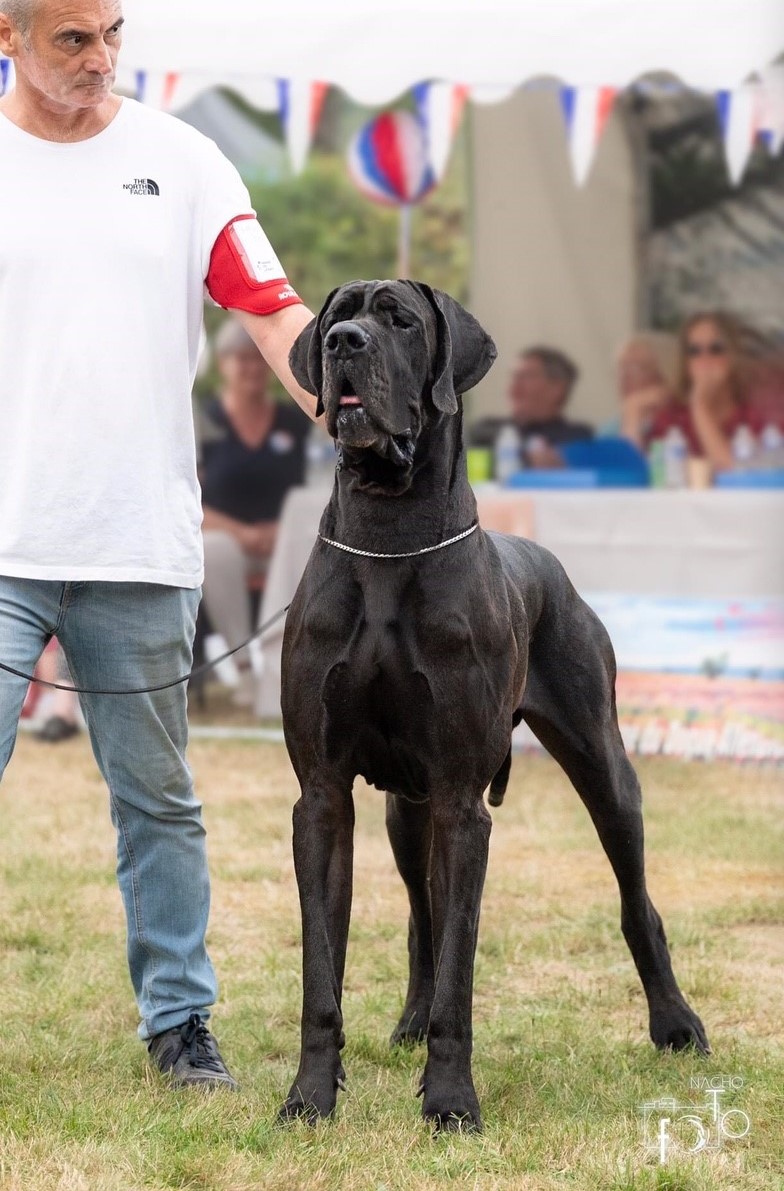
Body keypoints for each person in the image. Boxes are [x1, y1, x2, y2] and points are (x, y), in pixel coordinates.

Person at [0, 0, 317, 1089]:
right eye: (71, 40)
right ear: (8, 38)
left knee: (158, 800)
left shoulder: (182, 161)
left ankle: (180, 1024)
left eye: (112, 35)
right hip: (4, 544)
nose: (100, 60)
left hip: (139, 541)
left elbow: (268, 306)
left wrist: (346, 397)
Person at [198, 319, 308, 708]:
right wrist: (241, 533)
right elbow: (187, 496)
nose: (251, 368)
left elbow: (314, 489)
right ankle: (244, 671)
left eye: (259, 359)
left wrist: (284, 529)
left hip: (287, 538)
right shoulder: (204, 422)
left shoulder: (295, 422)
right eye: (240, 360)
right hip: (225, 539)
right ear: (223, 364)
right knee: (214, 550)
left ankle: (291, 674)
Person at [642, 311, 784, 472]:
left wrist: (700, 406)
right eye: (694, 351)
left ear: (733, 357)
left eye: (716, 349)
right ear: (686, 363)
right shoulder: (671, 417)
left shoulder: (757, 414)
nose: (705, 358)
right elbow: (643, 478)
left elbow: (735, 473)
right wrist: (631, 417)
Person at [469, 345, 593, 469]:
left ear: (557, 388)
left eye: (526, 376)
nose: (514, 385)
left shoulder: (577, 438)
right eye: (514, 376)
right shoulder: (486, 429)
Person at [602, 331, 677, 442]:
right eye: (621, 367)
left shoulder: (678, 424)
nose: (624, 376)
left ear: (664, 375)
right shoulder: (611, 428)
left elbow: (631, 458)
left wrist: (633, 411)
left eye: (635, 368)